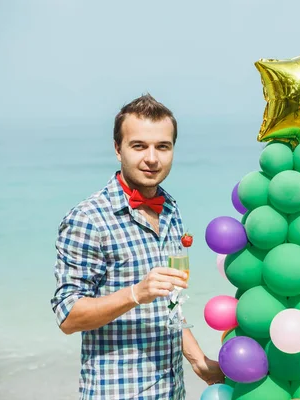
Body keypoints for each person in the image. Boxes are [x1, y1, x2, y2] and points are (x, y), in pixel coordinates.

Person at [51, 94, 224, 399]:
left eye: (162, 146)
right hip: (117, 392)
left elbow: (169, 303)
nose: (152, 158)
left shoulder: (170, 208)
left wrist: (198, 360)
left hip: (171, 390)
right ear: (118, 149)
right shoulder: (89, 218)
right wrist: (135, 293)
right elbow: (68, 317)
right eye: (139, 146)